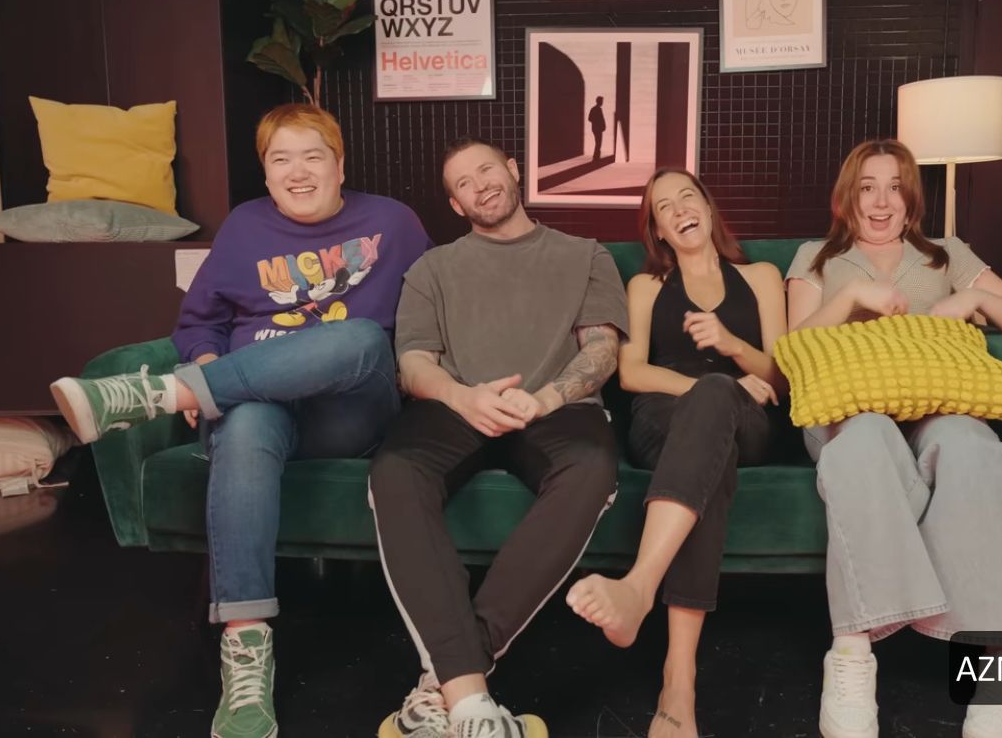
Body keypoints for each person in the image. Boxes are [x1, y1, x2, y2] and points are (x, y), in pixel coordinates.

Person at [48, 103, 432, 738]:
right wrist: (206, 362)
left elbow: (435, 306)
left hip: (347, 411)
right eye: (281, 159)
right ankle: (246, 649)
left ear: (340, 166)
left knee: (361, 336)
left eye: (312, 156)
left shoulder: (393, 222)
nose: (297, 172)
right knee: (247, 420)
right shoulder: (245, 225)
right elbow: (201, 322)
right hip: (253, 405)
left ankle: (157, 395)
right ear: (266, 172)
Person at [784, 139, 1002, 738]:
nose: (881, 202)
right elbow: (790, 351)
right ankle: (852, 654)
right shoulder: (817, 258)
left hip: (940, 404)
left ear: (911, 200)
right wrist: (851, 298)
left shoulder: (946, 254)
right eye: (867, 187)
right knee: (863, 442)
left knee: (970, 447)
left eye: (895, 187)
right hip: (850, 409)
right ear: (847, 198)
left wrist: (972, 298)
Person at [370, 136, 628, 738]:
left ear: (512, 170)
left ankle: (447, 684)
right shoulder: (432, 268)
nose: (480, 185)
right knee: (395, 472)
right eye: (463, 183)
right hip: (460, 405)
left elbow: (601, 350)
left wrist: (545, 398)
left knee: (592, 469)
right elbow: (413, 364)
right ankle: (471, 702)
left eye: (487, 169)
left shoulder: (585, 255)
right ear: (456, 205)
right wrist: (463, 397)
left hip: (556, 406)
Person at [564, 167, 786, 738]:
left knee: (716, 412)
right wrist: (712, 388)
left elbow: (783, 376)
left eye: (688, 197)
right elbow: (632, 373)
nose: (680, 209)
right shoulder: (647, 286)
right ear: (658, 230)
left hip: (750, 420)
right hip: (662, 420)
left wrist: (732, 347)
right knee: (709, 440)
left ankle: (639, 589)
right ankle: (678, 679)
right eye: (665, 207)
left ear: (708, 209)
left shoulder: (761, 277)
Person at [589, 96, 607, 161]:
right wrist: (599, 123)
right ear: (599, 101)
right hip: (598, 129)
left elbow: (589, 118)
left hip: (595, 128)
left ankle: (596, 156)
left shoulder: (593, 109)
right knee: (598, 143)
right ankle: (596, 157)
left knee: (598, 143)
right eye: (601, 101)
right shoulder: (598, 109)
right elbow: (601, 119)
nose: (602, 102)